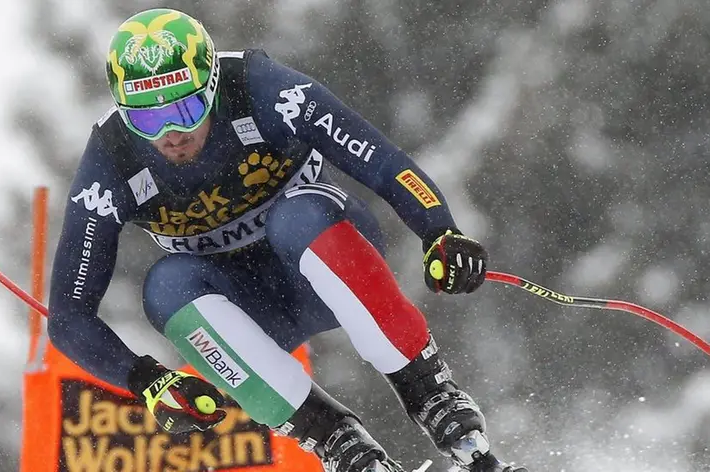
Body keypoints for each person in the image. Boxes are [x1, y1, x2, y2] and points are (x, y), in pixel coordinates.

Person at [48, 7, 527, 472]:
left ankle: (438, 402)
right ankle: (339, 445)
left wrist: (439, 229)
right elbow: (68, 316)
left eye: (186, 110)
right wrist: (147, 381)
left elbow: (381, 160)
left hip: (327, 261)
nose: (172, 134)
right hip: (250, 309)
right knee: (167, 287)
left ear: (212, 86)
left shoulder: (260, 88)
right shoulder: (111, 159)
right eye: (148, 121)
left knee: (295, 218)